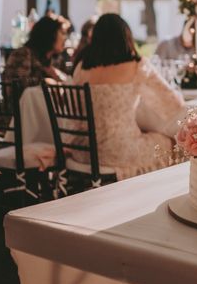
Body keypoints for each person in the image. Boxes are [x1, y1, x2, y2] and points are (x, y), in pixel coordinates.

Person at [73, 14, 187, 180]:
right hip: (119, 153)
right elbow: (173, 102)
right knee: (171, 143)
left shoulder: (81, 68)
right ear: (127, 37)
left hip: (83, 152)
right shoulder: (137, 66)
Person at [0, 16, 68, 130]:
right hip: (15, 117)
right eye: (62, 33)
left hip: (48, 115)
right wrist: (46, 82)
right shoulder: (23, 54)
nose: (65, 38)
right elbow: (14, 88)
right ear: (50, 35)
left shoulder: (56, 60)